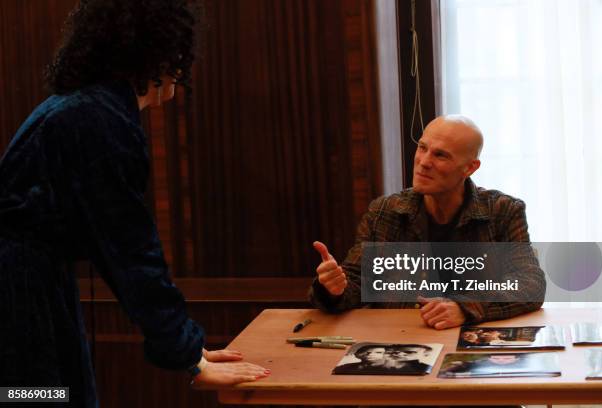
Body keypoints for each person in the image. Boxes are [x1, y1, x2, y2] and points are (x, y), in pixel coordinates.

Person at [0, 1, 268, 406]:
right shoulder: (97, 119)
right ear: (157, 52)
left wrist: (187, 348)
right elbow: (131, 251)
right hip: (21, 296)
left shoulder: (77, 106)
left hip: (28, 281)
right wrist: (186, 353)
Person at [309, 115, 545, 329]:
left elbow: (529, 284)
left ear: (470, 168)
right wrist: (333, 288)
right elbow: (357, 282)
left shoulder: (502, 211)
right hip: (401, 342)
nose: (423, 161)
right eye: (422, 148)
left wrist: (465, 307)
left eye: (440, 155)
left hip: (471, 347)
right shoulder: (385, 211)